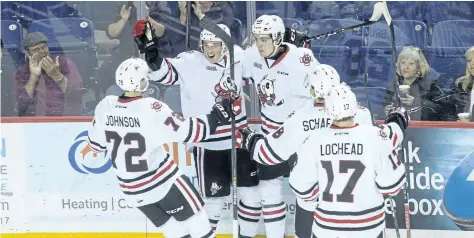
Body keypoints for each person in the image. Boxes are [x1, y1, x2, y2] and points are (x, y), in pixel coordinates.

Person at [86, 57, 238, 238]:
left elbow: (96, 146)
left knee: (175, 232)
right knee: (200, 226)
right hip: (164, 183)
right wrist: (216, 115)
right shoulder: (151, 108)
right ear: (143, 81)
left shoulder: (105, 106)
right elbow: (190, 133)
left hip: (132, 190)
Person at [133, 21, 260, 236]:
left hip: (239, 138)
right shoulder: (190, 61)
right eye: (206, 44)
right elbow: (162, 74)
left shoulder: (239, 57)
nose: (209, 49)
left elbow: (263, 66)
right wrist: (151, 53)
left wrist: (289, 46)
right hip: (207, 143)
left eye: (215, 45)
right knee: (213, 202)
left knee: (252, 198)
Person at [236, 64, 373, 238]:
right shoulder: (361, 114)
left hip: (313, 205)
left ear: (314, 90)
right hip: (357, 208)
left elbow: (269, 154)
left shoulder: (300, 118)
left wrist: (250, 140)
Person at [290, 84, 409, 238]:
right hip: (368, 229)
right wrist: (397, 121)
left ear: (328, 110)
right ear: (354, 106)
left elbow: (302, 191)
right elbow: (391, 187)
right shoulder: (376, 137)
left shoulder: (313, 141)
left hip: (326, 229)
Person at [241, 14, 320, 238]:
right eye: (256, 39)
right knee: (268, 193)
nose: (260, 44)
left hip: (301, 136)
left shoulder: (301, 58)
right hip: (271, 133)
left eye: (265, 39)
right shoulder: (251, 56)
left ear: (277, 37)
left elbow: (324, 86)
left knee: (306, 192)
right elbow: (234, 77)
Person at [14, 32, 84, 116]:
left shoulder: (64, 62)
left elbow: (77, 94)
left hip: (65, 119)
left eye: (44, 47)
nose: (42, 52)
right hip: (33, 123)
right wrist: (33, 77)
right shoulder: (22, 72)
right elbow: (19, 106)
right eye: (36, 49)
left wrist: (56, 75)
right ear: (27, 53)